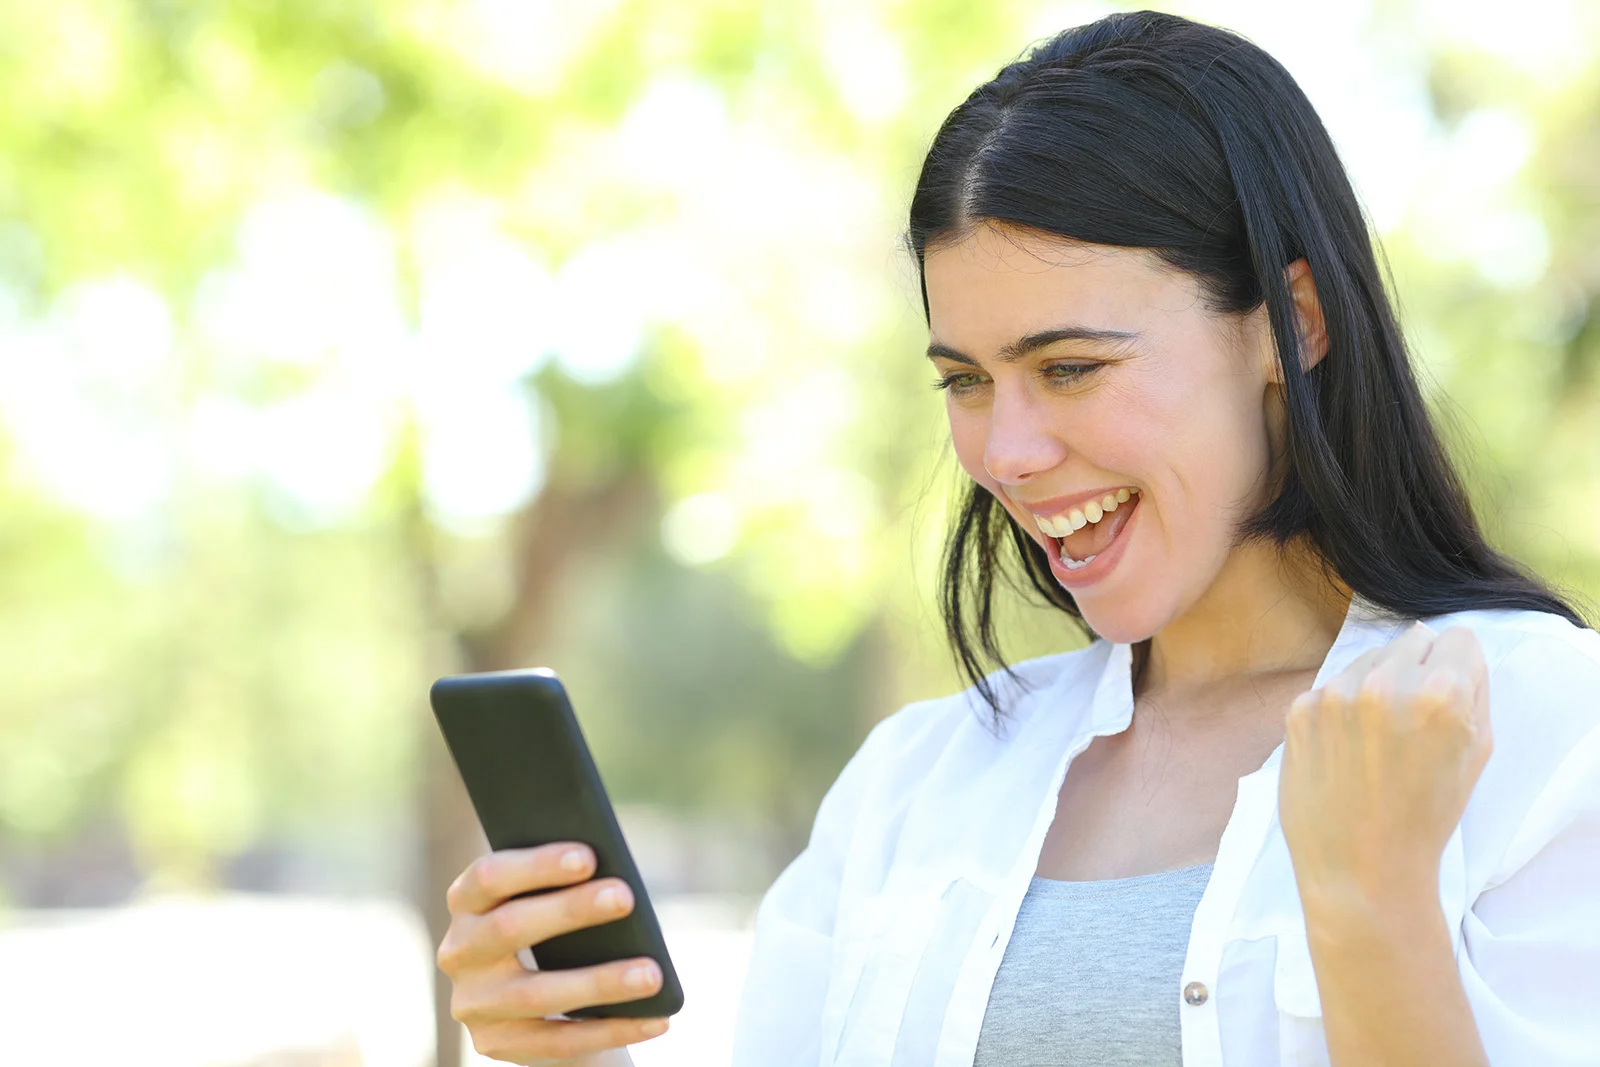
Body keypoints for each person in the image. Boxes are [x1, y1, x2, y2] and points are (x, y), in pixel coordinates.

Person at [434, 10, 1600, 1066]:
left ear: (1286, 324)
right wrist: (564, 1054)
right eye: (967, 380)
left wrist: (1374, 904)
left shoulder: (1541, 733)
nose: (1006, 451)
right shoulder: (915, 780)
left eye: (1069, 366)